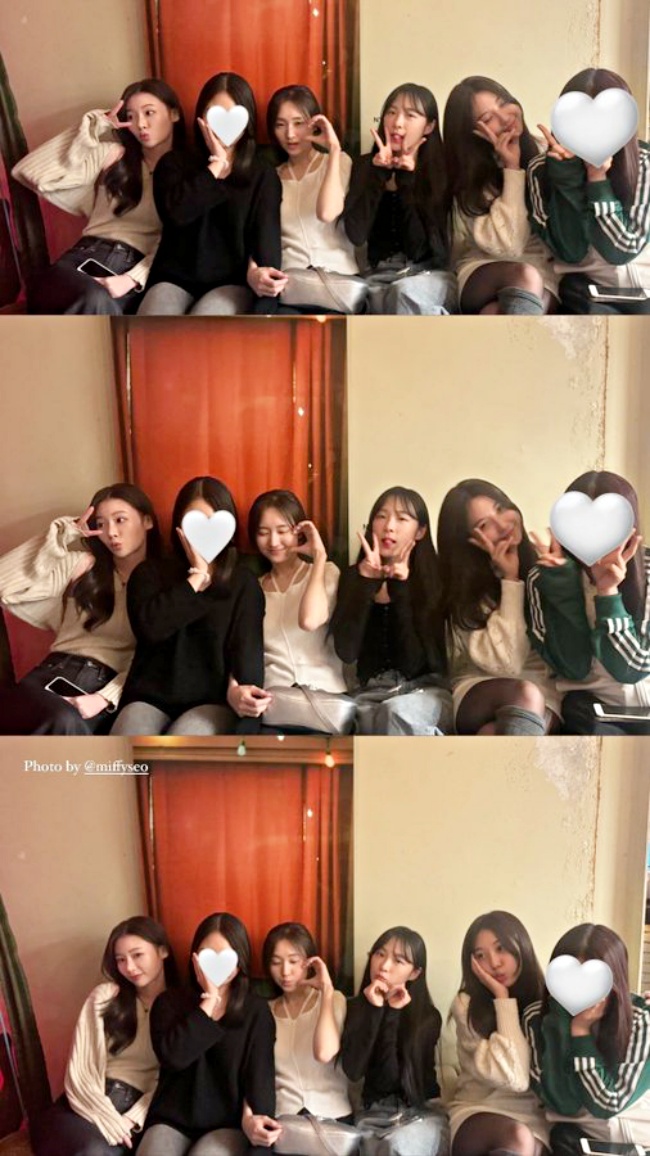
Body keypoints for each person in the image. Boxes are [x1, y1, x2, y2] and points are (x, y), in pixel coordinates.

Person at [111, 476, 267, 736]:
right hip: (150, 698)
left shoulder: (242, 582)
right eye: (193, 522)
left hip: (211, 701)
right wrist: (196, 578)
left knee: (186, 737)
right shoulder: (149, 573)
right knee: (129, 735)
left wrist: (238, 690)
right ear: (178, 526)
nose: (204, 534)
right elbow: (150, 629)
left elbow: (246, 650)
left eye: (213, 522)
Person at [12, 80, 184, 314]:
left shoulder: (189, 176)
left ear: (174, 113)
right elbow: (27, 172)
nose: (141, 124)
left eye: (149, 113)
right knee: (91, 299)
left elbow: (175, 244)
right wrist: (93, 129)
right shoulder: (114, 155)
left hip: (131, 277)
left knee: (101, 307)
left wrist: (132, 279)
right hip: (82, 259)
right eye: (131, 116)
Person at [0, 483, 158, 735]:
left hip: (103, 692)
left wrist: (104, 698)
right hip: (51, 674)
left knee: (65, 724)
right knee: (52, 720)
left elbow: (154, 660)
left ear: (147, 521)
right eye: (101, 524)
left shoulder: (163, 585)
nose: (111, 532)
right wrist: (62, 536)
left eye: (120, 520)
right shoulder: (83, 566)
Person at [137, 72, 283, 315]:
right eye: (213, 113)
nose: (223, 125)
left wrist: (257, 274)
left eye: (233, 114)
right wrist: (215, 166)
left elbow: (266, 239)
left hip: (231, 282)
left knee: (207, 318)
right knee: (155, 317)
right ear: (201, 117)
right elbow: (175, 215)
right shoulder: (174, 163)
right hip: (174, 278)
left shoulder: (262, 174)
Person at [30, 916, 177, 1156]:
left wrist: (133, 1118)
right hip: (87, 1104)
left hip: (138, 1113)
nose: (130, 967)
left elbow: (173, 1082)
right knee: (93, 1151)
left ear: (163, 951)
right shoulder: (106, 996)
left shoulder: (181, 1010)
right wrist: (109, 1119)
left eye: (137, 955)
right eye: (121, 960)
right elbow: (81, 1070)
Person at [138, 912, 278, 1155]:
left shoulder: (255, 1011)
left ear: (240, 960)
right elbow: (173, 1057)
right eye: (206, 955)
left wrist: (249, 1118)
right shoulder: (168, 1003)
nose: (215, 965)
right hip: (172, 1119)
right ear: (194, 957)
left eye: (226, 956)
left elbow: (259, 1079)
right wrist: (209, 1001)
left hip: (227, 1124)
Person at [527, 470, 649, 734]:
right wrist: (562, 586)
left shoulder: (647, 572)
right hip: (587, 709)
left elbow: (633, 668)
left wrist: (609, 593)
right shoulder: (543, 577)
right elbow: (573, 667)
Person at [437, 479, 560, 735]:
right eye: (484, 525)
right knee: (525, 694)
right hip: (479, 688)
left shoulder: (545, 560)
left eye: (500, 509)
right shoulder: (463, 588)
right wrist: (510, 580)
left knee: (493, 732)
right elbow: (507, 665)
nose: (502, 525)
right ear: (468, 541)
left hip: (544, 693)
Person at [330, 486, 451, 734]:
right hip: (369, 693)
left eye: (402, 519)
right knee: (345, 719)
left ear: (420, 531)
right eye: (381, 516)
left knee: (395, 713)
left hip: (425, 691)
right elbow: (347, 651)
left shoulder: (433, 581)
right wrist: (366, 585)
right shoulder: (354, 577)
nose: (389, 527)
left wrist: (401, 589)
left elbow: (414, 664)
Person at [528, 69, 650, 314]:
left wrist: (598, 180)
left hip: (643, 289)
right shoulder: (541, 170)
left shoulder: (644, 163)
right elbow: (570, 251)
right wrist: (567, 178)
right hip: (582, 291)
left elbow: (622, 251)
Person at [524, 924, 650, 1150]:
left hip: (636, 1141)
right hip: (573, 1140)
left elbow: (609, 1103)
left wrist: (581, 1035)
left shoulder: (641, 1020)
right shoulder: (537, 1018)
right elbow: (562, 1103)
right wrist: (564, 1021)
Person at [443, 76, 557, 314]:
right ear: (473, 133)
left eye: (503, 103)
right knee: (525, 276)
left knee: (495, 312)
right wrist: (511, 168)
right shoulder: (470, 175)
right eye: (488, 119)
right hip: (484, 268)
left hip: (542, 272)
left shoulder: (546, 153)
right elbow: (510, 247)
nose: (504, 118)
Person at [248, 489, 355, 733]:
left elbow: (310, 620)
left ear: (299, 531)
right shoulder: (254, 588)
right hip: (273, 705)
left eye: (282, 531)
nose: (273, 542)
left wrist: (319, 557)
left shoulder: (327, 572)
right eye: (263, 533)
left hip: (325, 701)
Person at [343, 83, 456, 314]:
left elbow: (424, 250)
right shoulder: (364, 166)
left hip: (429, 275)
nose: (397, 122)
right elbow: (356, 234)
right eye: (392, 112)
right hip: (378, 275)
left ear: (429, 126)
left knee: (403, 293)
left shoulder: (441, 171)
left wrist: (407, 181)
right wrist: (377, 177)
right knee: (365, 299)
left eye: (410, 115)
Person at [448, 911, 549, 1156]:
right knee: (518, 1138)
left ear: (521, 946)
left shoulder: (545, 1002)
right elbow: (515, 1078)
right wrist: (503, 1000)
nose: (494, 963)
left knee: (528, 1143)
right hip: (478, 1111)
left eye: (500, 948)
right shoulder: (466, 1005)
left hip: (533, 1120)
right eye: (480, 955)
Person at [340, 926, 447, 1156]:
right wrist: (375, 1011)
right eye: (380, 954)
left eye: (398, 960)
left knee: (397, 1146)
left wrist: (392, 1014)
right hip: (373, 1114)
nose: (384, 965)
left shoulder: (428, 1017)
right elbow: (353, 1070)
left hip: (420, 1112)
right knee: (384, 1147)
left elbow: (392, 1080)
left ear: (414, 973)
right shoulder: (354, 1008)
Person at [262, 84, 365, 314]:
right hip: (291, 286)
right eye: (280, 125)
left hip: (337, 284)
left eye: (298, 123)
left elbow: (327, 212)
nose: (290, 134)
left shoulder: (340, 161)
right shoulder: (271, 177)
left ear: (315, 123)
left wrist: (334, 149)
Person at [262, 922, 357, 1153]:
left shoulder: (334, 1000)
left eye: (294, 961)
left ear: (310, 962)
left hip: (333, 1120)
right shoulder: (265, 1012)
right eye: (276, 962)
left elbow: (324, 1052)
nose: (285, 971)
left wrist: (326, 991)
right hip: (284, 1123)